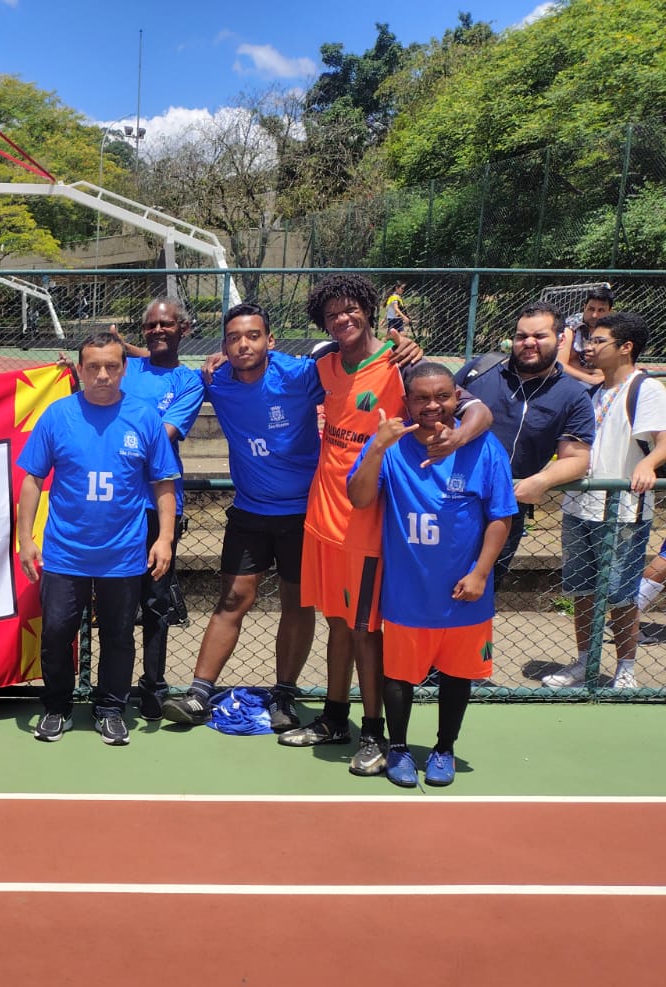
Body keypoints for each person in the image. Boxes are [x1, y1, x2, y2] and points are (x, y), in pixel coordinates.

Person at [278, 273, 490, 776]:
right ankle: (334, 717)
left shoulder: (402, 363)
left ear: (370, 310)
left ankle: (373, 733)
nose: (343, 319)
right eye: (333, 315)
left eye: (351, 310)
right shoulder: (324, 364)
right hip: (321, 516)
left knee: (365, 631)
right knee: (336, 623)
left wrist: (458, 440)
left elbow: (476, 407)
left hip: (368, 521)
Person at [347, 362, 517, 787]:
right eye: (421, 398)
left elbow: (501, 516)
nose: (432, 406)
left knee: (458, 676)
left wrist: (480, 573)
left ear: (457, 397)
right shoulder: (392, 444)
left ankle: (444, 749)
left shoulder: (483, 446)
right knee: (399, 676)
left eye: (441, 396)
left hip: (465, 591)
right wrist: (377, 449)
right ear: (407, 402)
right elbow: (360, 497)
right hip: (408, 590)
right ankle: (399, 748)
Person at [15, 332, 180, 746]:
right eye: (94, 367)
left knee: (119, 636)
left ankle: (110, 709)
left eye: (111, 366)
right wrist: (24, 538)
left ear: (124, 369)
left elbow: (162, 483)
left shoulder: (143, 418)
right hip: (65, 552)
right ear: (80, 371)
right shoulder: (57, 416)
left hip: (123, 554)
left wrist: (165, 539)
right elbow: (33, 479)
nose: (103, 375)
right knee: (55, 633)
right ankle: (56, 707)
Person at [161, 303, 320, 730]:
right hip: (250, 511)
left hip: (305, 513)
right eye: (233, 337)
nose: (243, 343)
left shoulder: (301, 375)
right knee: (232, 599)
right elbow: (162, 364)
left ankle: (284, 694)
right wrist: (124, 346)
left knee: (298, 603)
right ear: (224, 346)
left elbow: (350, 369)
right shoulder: (217, 380)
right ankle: (198, 693)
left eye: (252, 335)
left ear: (270, 340)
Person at [543, 311, 666, 689]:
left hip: (623, 511)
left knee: (621, 593)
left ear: (625, 347)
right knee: (582, 590)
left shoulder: (645, 389)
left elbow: (663, 441)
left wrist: (648, 463)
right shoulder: (593, 391)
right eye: (589, 340)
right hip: (580, 507)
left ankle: (625, 668)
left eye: (599, 341)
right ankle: (585, 662)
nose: (590, 347)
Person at [454, 302, 593, 590]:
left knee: (481, 591)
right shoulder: (480, 370)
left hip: (504, 510)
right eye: (521, 336)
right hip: (450, 498)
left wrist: (542, 481)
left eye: (540, 336)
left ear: (561, 339)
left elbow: (577, 458)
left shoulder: (573, 396)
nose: (529, 343)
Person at [116, 297, 204, 718]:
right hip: (114, 504)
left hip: (158, 506)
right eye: (150, 325)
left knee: (155, 602)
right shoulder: (124, 367)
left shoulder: (189, 381)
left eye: (166, 324)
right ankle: (111, 689)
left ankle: (152, 687)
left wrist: (123, 434)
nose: (158, 331)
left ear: (183, 329)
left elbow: (164, 435)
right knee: (115, 601)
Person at [556, 286, 614, 388]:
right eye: (591, 309)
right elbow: (560, 365)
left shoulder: (614, 330)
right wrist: (591, 379)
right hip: (571, 381)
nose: (594, 315)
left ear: (610, 312)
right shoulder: (570, 327)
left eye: (601, 310)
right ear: (584, 307)